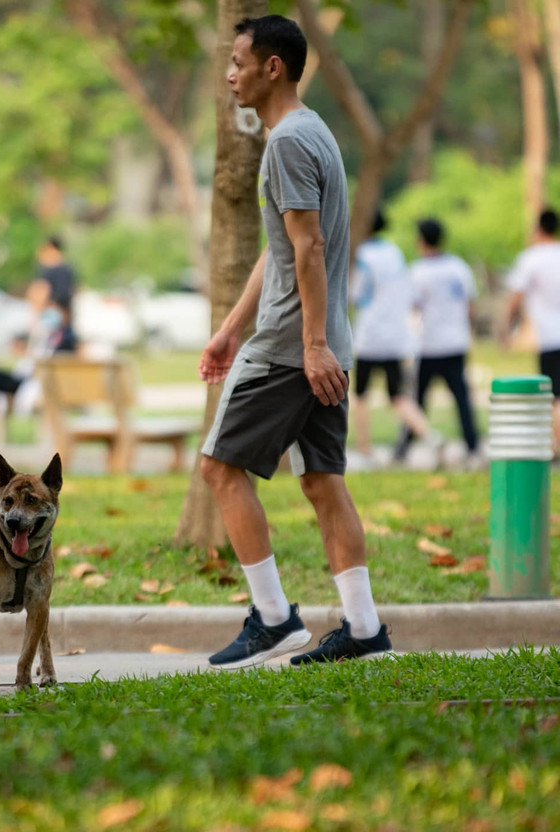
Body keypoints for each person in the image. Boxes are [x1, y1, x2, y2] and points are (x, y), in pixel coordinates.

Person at [197, 15, 391, 669]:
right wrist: (228, 329)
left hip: (291, 349)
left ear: (271, 67)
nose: (229, 74)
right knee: (324, 485)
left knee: (220, 470)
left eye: (237, 61)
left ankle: (275, 619)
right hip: (324, 343)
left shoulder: (284, 143)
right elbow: (284, 251)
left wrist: (307, 346)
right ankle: (364, 630)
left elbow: (309, 247)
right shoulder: (313, 134)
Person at [349, 210, 436, 466]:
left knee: (361, 396)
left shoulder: (362, 254)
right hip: (395, 337)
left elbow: (355, 293)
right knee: (397, 395)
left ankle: (364, 449)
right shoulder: (395, 253)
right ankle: (430, 436)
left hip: (369, 337)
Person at [395, 218, 480, 466]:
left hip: (429, 345)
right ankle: (472, 445)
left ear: (421, 240)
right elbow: (470, 306)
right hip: (456, 343)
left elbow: (411, 307)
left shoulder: (418, 271)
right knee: (461, 398)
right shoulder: (459, 267)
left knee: (418, 399)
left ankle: (403, 449)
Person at [501, 208, 560, 454]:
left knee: (555, 397)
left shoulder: (531, 258)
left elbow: (515, 297)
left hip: (550, 338)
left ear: (538, 229)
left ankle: (557, 448)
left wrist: (505, 328)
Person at [33, 236, 79, 351]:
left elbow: (42, 292)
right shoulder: (69, 269)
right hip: (65, 318)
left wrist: (35, 316)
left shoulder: (48, 270)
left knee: (44, 352)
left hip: (50, 315)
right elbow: (74, 291)